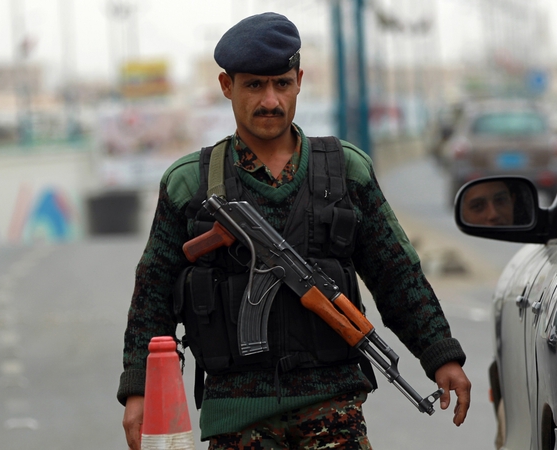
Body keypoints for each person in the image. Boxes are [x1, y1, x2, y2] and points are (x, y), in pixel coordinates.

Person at [118, 12, 471, 450]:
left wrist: (441, 355)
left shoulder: (345, 171)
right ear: (227, 86)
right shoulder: (190, 182)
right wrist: (139, 388)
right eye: (254, 85)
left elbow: (396, 275)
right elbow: (152, 294)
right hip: (236, 415)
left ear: (300, 80)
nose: (271, 100)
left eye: (282, 84)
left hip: (333, 408)